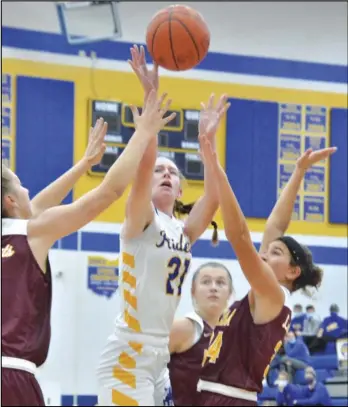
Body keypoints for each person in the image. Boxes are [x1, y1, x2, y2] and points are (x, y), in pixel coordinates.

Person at [1, 91, 175, 407]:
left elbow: (37, 206)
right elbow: (108, 193)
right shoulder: (31, 233)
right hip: (11, 378)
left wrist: (84, 164)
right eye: (21, 184)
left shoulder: (20, 231)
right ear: (11, 201)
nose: (29, 190)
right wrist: (144, 133)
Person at [96, 45, 230, 406]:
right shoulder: (141, 219)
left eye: (173, 172)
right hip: (130, 353)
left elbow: (216, 197)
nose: (166, 174)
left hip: (158, 357)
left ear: (181, 189)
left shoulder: (183, 232)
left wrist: (208, 142)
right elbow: (143, 165)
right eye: (161, 171)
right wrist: (150, 100)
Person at [195, 136, 337, 406]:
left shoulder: (272, 293)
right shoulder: (268, 293)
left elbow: (239, 236)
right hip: (218, 394)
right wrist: (299, 171)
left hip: (229, 398)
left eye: (275, 253)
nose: (264, 252)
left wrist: (216, 168)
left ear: (293, 271)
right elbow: (276, 225)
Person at [167, 262, 234, 406]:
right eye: (206, 282)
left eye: (220, 282)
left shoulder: (237, 335)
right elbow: (143, 368)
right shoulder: (184, 327)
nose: (213, 287)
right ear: (193, 291)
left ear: (230, 292)